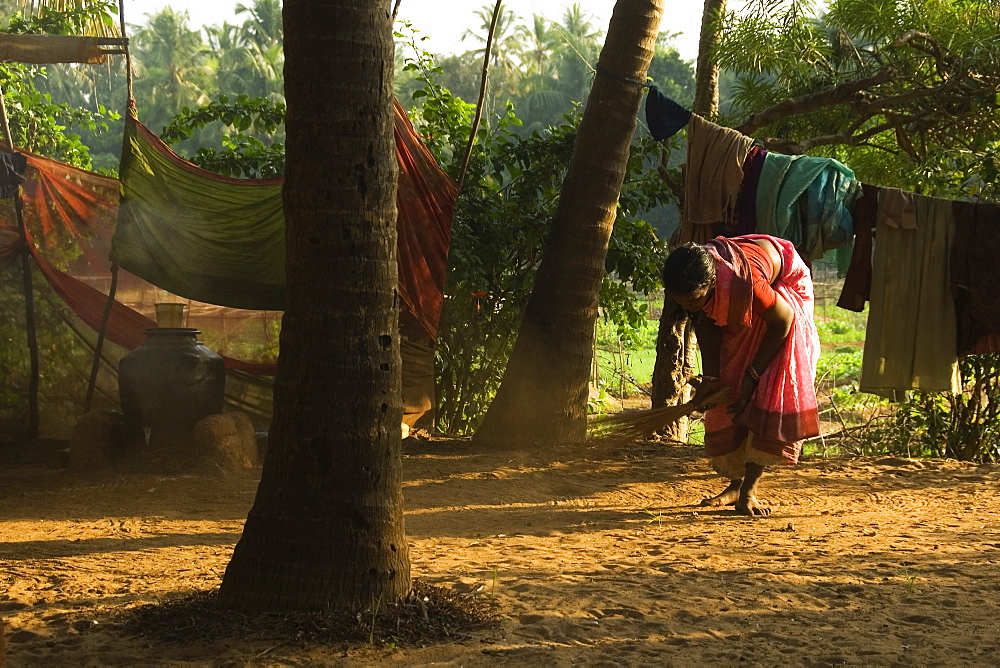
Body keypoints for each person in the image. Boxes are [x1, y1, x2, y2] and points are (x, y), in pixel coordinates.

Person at [661, 235, 820, 516]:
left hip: (783, 297)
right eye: (681, 301)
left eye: (692, 300)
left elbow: (783, 321)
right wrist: (711, 379)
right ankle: (736, 485)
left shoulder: (748, 286)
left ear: (711, 286)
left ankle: (750, 489)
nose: (687, 306)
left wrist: (753, 376)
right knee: (728, 383)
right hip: (751, 297)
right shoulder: (694, 287)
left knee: (764, 390)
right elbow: (705, 322)